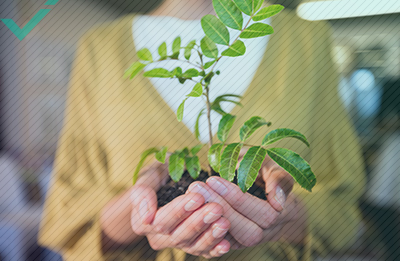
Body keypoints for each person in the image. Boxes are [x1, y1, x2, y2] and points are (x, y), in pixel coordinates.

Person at [38, 0, 366, 260]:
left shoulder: (308, 40)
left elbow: (342, 209)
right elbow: (70, 218)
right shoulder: (100, 47)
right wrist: (142, 211)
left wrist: (286, 218)